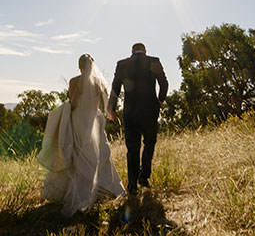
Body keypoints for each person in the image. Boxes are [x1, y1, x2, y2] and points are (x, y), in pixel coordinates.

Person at [38, 54, 125, 216]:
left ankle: (77, 190)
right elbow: (107, 107)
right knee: (100, 153)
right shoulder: (99, 82)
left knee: (78, 154)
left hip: (78, 120)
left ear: (79, 66)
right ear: (93, 66)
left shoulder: (74, 81)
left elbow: (73, 102)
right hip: (93, 120)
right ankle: (105, 189)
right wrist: (112, 114)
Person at [108, 42, 169, 194]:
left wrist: (112, 108)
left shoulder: (122, 64)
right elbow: (164, 83)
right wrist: (160, 100)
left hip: (130, 112)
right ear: (145, 50)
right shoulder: (153, 61)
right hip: (150, 111)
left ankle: (132, 185)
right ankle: (144, 177)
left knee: (132, 148)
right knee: (149, 143)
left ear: (132, 51)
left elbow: (115, 88)